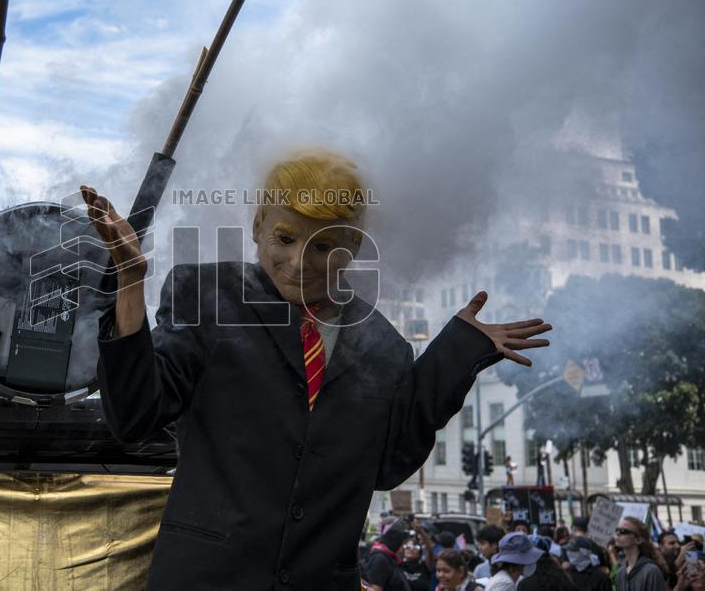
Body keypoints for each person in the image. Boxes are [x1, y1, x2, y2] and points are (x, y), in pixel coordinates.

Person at [86, 149, 552, 589]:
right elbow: (135, 414)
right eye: (285, 238)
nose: (300, 263)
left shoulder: (385, 346)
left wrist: (455, 357)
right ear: (258, 225)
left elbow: (386, 465)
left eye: (324, 246)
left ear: (352, 249)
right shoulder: (206, 293)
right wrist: (130, 282)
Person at [614, 517, 668, 591]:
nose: (617, 533)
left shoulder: (651, 571)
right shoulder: (620, 573)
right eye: (616, 530)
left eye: (623, 531)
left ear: (638, 540)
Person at [362, 526, 413, 591]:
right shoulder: (380, 559)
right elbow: (375, 588)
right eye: (402, 544)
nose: (403, 548)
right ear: (396, 543)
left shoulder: (389, 558)